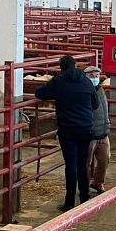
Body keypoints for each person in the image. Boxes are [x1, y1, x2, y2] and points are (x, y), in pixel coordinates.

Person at [34, 55, 98, 211]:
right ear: (75, 65)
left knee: (70, 165)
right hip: (85, 128)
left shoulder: (59, 82)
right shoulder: (87, 82)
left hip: (67, 128)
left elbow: (40, 93)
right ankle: (84, 196)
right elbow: (95, 104)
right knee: (82, 164)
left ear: (61, 67)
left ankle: (69, 201)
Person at [84, 65, 110, 195]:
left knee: (105, 159)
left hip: (103, 132)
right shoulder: (84, 91)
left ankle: (98, 182)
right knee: (86, 162)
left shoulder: (100, 90)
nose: (95, 78)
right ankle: (85, 187)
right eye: (92, 76)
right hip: (90, 133)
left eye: (97, 76)